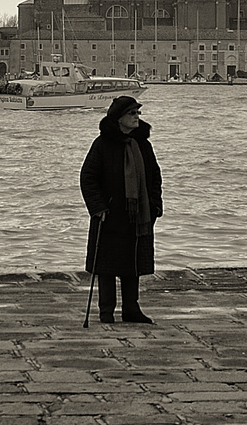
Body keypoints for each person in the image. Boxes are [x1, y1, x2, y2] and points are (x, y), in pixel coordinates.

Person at [79, 94, 162, 324]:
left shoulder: (143, 144)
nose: (137, 117)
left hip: (138, 214)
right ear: (119, 118)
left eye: (138, 113)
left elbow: (155, 176)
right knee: (106, 264)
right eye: (132, 113)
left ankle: (131, 309)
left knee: (132, 262)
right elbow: (88, 178)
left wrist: (155, 205)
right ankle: (106, 311)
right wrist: (98, 207)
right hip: (109, 214)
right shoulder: (102, 144)